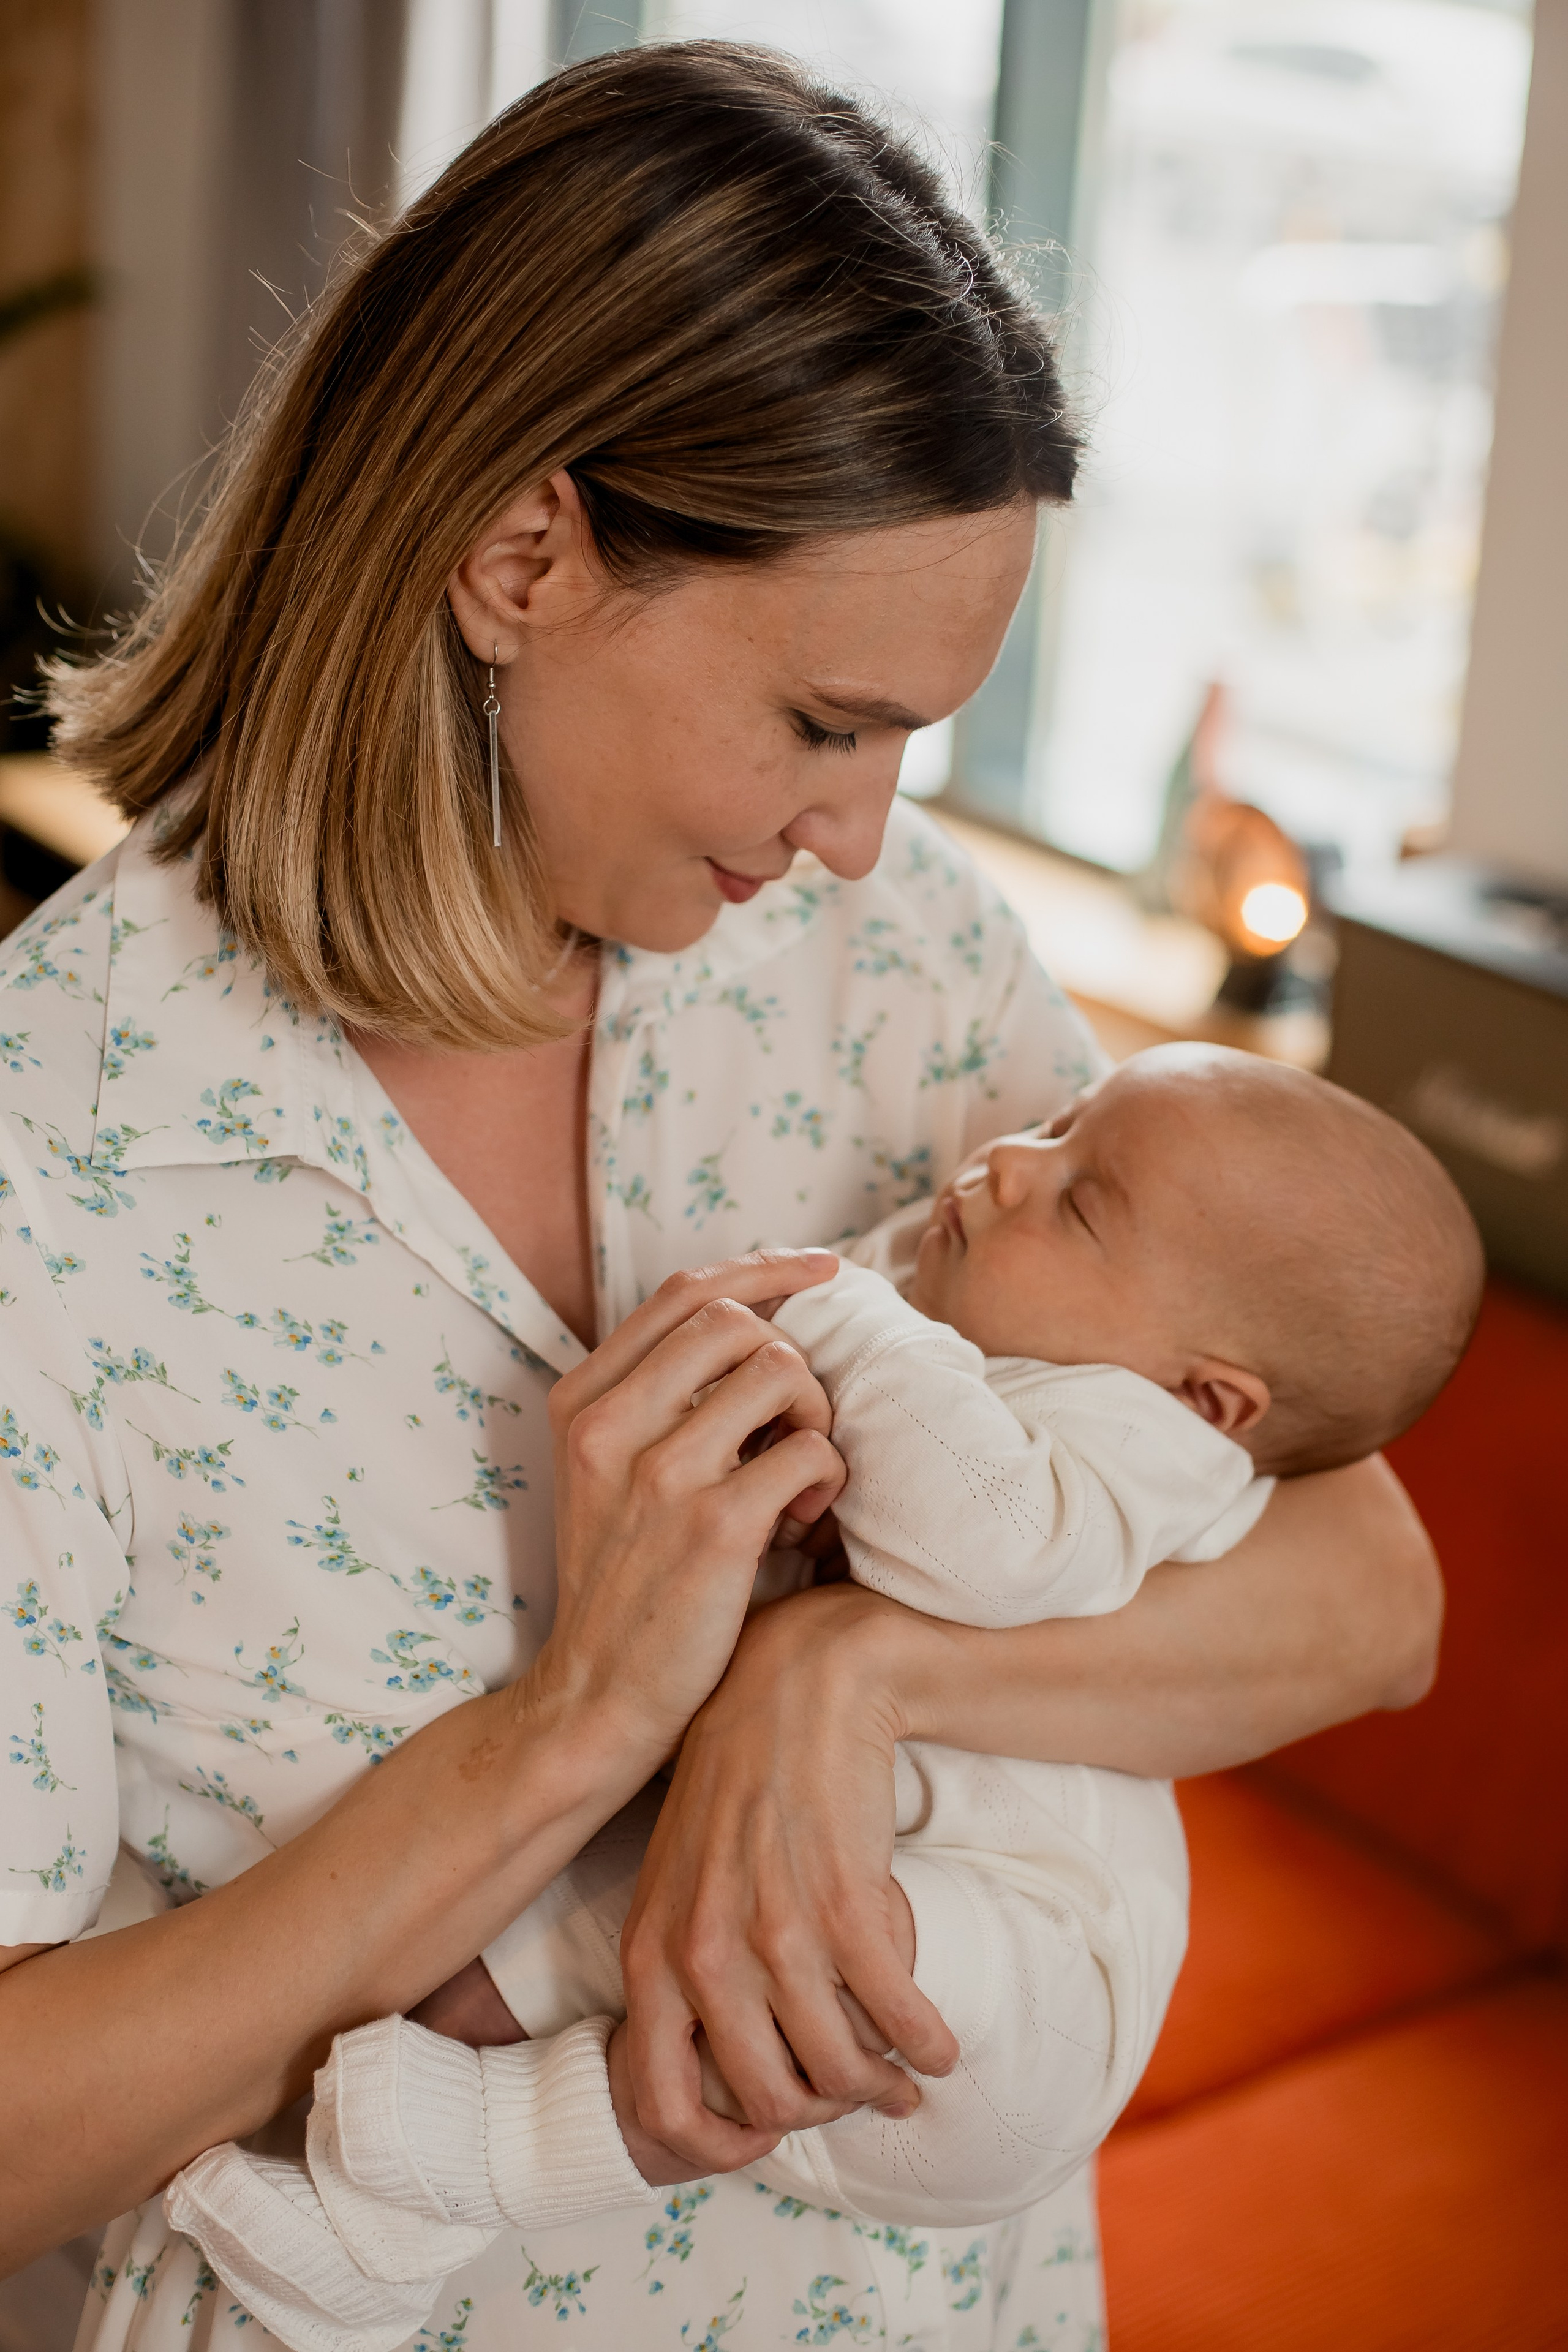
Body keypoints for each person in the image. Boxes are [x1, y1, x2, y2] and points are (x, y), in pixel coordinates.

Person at [0, 43, 1441, 2352]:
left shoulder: (885, 960)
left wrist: (838, 1675)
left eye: (914, 747)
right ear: (523, 555)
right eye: (824, 724)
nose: (867, 830)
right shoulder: (55, 1165)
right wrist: (571, 1727)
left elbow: (1367, 1585)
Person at [155, 1046, 1482, 2352]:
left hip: (1009, 2002)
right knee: (504, 1990)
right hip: (864, 1934)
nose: (1012, 1162)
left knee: (756, 1961)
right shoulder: (1012, 1335)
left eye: (1078, 1198)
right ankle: (391, 2219)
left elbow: (990, 1544)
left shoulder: (1146, 1441)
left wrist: (846, 1311)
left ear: (1212, 1395)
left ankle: (463, 2176)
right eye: (1061, 1123)